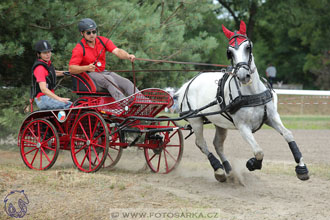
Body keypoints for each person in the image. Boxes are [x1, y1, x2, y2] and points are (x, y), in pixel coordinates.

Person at [69, 18, 138, 100]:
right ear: (82, 33)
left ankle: (143, 103)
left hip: (103, 72)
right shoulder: (79, 48)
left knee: (125, 81)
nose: (92, 35)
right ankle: (124, 103)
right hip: (89, 74)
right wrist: (87, 67)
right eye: (88, 32)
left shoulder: (102, 41)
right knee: (109, 80)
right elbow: (71, 68)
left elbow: (117, 51)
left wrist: (128, 55)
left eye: (94, 32)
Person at [32, 40, 72, 110]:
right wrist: (59, 98)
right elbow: (43, 89)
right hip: (43, 99)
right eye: (44, 53)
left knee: (71, 104)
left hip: (48, 97)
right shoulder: (40, 68)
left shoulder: (47, 64)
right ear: (39, 54)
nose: (48, 54)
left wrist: (67, 72)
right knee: (68, 105)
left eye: (49, 52)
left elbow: (52, 73)